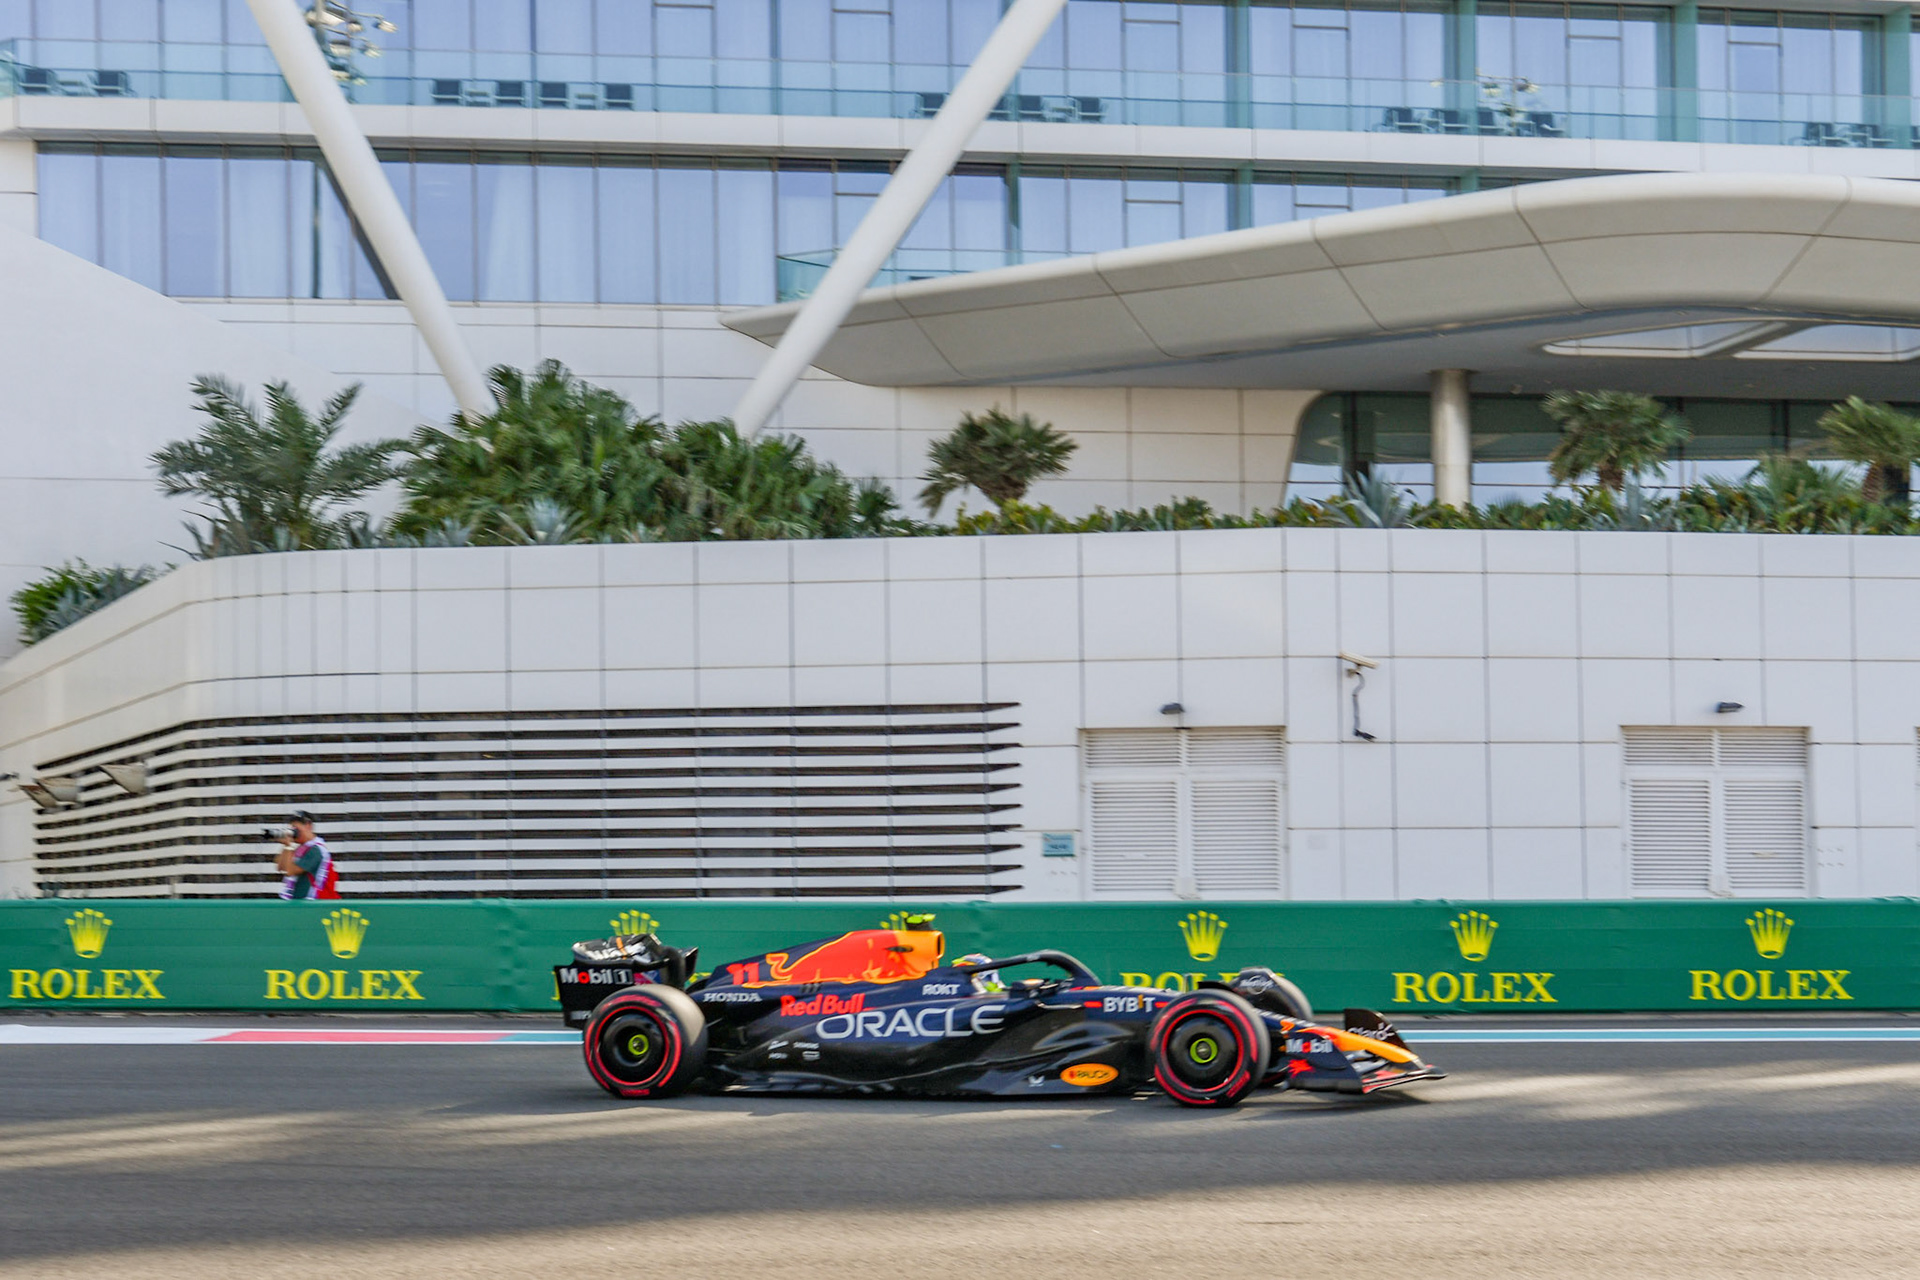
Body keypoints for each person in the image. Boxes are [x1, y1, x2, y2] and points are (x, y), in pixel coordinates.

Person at [275, 811, 337, 901]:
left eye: (296, 829)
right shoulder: (301, 848)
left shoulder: (316, 849)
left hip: (314, 901)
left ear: (308, 826)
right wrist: (285, 845)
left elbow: (290, 871)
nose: (294, 833)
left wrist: (289, 846)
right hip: (300, 900)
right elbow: (281, 867)